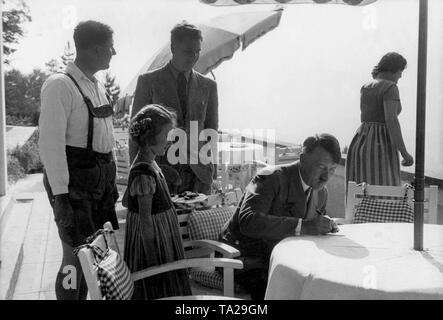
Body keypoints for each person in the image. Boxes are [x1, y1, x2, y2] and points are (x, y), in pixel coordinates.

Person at [39, 20, 118, 300]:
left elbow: (104, 140)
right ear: (96, 49)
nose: (114, 53)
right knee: (74, 259)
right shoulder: (60, 85)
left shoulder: (96, 86)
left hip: (99, 185)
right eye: (110, 47)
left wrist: (111, 184)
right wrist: (61, 197)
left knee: (92, 257)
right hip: (73, 187)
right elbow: (50, 145)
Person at [219, 133, 341, 300]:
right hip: (243, 258)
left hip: (281, 258)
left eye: (332, 169)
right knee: (284, 287)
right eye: (321, 167)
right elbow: (249, 221)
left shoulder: (321, 193)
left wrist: (324, 227)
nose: (326, 177)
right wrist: (304, 226)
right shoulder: (271, 178)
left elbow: (312, 230)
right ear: (303, 159)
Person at [129, 21, 218, 195]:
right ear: (173, 48)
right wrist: (137, 171)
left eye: (197, 52)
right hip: (161, 173)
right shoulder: (148, 82)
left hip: (199, 175)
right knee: (165, 222)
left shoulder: (208, 85)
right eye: (187, 51)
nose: (192, 57)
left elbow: (211, 131)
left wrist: (211, 172)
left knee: (199, 222)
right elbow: (135, 133)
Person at [123, 104, 192, 300]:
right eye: (167, 135)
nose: (171, 141)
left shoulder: (151, 162)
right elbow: (145, 221)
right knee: (157, 288)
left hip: (164, 235)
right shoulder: (143, 172)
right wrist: (153, 260)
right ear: (150, 137)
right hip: (154, 242)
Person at [346, 52, 414, 191]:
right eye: (400, 71)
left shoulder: (366, 86)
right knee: (382, 190)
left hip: (361, 141)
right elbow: (391, 120)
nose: (400, 76)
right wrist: (405, 153)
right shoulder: (390, 87)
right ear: (393, 69)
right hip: (380, 145)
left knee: (361, 192)